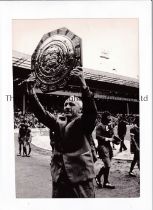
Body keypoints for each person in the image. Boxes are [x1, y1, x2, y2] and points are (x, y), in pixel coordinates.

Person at [27, 66, 97, 198]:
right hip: (59, 178)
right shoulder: (58, 121)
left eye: (71, 104)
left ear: (80, 110)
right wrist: (31, 91)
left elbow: (91, 113)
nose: (67, 106)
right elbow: (41, 114)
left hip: (80, 178)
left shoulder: (83, 123)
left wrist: (83, 85)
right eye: (65, 104)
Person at [95, 111, 115, 189]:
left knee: (107, 165)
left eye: (110, 117)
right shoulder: (100, 126)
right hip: (102, 146)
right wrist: (108, 139)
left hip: (108, 146)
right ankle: (106, 182)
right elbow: (98, 136)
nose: (109, 119)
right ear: (104, 117)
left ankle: (98, 177)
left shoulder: (109, 125)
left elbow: (111, 134)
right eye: (108, 117)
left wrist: (111, 130)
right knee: (108, 165)